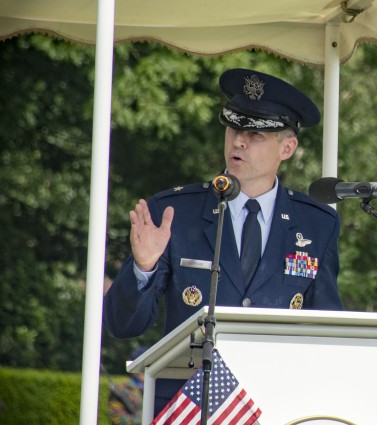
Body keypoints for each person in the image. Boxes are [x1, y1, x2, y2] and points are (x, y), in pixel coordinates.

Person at [103, 68, 344, 414]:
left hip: (274, 406)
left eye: (256, 135)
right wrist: (143, 268)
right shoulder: (174, 213)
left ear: (287, 148)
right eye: (233, 128)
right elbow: (122, 326)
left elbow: (326, 329)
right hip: (186, 408)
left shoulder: (317, 224)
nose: (239, 141)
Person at [108, 347, 147, 425]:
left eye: (147, 365)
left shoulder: (159, 389)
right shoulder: (119, 391)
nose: (143, 369)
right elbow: (119, 420)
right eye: (139, 365)